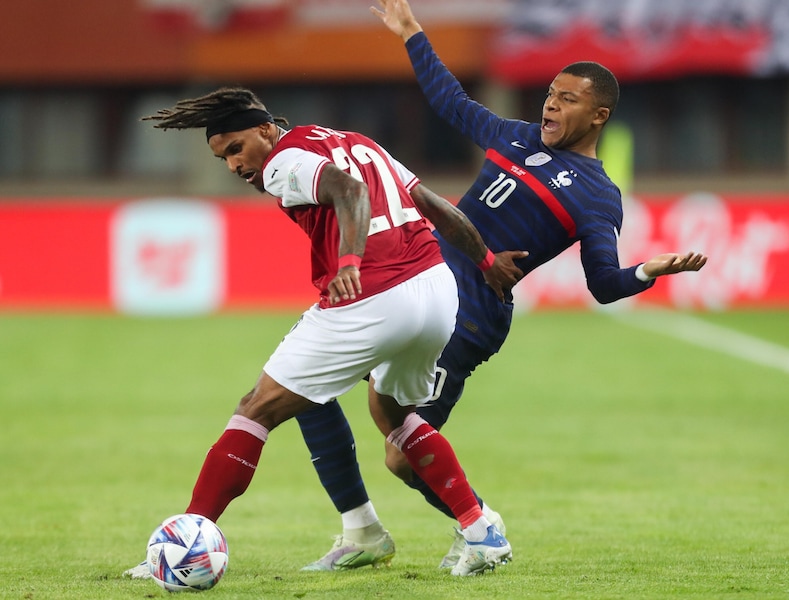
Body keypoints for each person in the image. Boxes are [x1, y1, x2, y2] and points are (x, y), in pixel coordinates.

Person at [295, 0, 709, 573]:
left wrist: (647, 271)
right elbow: (451, 102)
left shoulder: (596, 195)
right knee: (339, 397)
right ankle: (380, 529)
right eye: (550, 93)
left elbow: (603, 285)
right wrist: (412, 32)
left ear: (599, 115)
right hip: (417, 290)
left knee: (401, 455)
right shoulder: (515, 138)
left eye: (568, 99)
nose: (551, 104)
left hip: (469, 317)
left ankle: (480, 527)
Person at [122, 86, 519, 578]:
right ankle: (480, 530)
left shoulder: (284, 160)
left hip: (375, 295)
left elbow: (348, 192)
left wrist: (349, 260)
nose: (234, 165)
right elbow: (432, 203)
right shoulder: (358, 142)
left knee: (257, 408)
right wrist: (484, 260)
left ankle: (184, 540)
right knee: (395, 413)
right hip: (437, 290)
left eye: (235, 149)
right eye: (223, 156)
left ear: (266, 129)